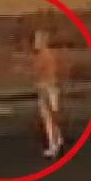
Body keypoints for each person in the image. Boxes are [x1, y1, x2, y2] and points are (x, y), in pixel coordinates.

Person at [23, 24, 65, 159]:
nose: (35, 43)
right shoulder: (51, 55)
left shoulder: (43, 56)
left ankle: (53, 146)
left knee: (48, 118)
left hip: (46, 88)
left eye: (37, 40)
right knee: (53, 116)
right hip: (51, 87)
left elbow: (40, 73)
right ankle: (58, 141)